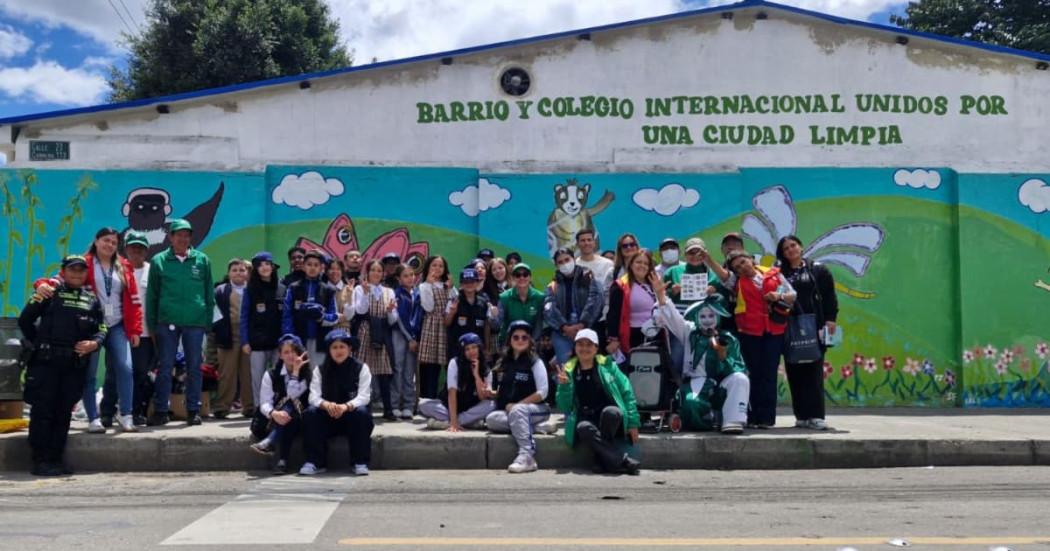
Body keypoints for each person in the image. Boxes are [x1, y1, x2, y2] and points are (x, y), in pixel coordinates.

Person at [34, 227, 144, 434]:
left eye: (113, 242)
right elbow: (59, 279)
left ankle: (126, 414)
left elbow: (134, 300)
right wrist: (40, 284)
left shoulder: (124, 266)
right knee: (89, 373)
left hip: (118, 325)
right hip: (91, 326)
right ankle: (93, 418)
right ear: (96, 241)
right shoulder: (84, 263)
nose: (109, 245)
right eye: (106, 241)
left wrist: (135, 329)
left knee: (126, 367)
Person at [19, 255, 107, 476]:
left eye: (81, 270)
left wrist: (93, 344)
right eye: (72, 270)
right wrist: (39, 344)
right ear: (63, 271)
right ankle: (40, 460)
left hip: (73, 365)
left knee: (63, 413)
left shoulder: (91, 299)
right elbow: (25, 321)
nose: (76, 274)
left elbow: (102, 328)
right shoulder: (49, 293)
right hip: (45, 364)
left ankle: (55, 459)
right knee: (43, 411)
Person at [146, 218, 214, 426]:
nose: (183, 239)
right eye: (179, 235)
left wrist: (208, 323)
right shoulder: (159, 261)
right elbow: (152, 296)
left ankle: (193, 410)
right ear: (171, 237)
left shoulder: (202, 260)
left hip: (195, 322)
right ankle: (160, 410)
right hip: (166, 322)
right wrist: (152, 325)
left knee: (195, 367)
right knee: (165, 367)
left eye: (187, 235)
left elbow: (208, 292)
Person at [654, 290, 750, 434]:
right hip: (697, 382)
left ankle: (732, 420)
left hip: (721, 385)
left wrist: (723, 355)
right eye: (703, 316)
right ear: (697, 318)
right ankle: (709, 420)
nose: (707, 320)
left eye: (711, 315)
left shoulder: (728, 339)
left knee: (741, 379)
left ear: (718, 317)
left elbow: (738, 368)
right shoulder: (690, 333)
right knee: (691, 404)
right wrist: (661, 296)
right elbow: (674, 319)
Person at [722, 249, 796, 429]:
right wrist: (708, 258)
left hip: (774, 331)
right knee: (754, 374)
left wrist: (778, 296)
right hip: (750, 332)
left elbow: (792, 295)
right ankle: (752, 416)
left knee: (769, 374)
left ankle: (767, 418)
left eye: (743, 262)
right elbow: (722, 275)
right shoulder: (737, 282)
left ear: (750, 259)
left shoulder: (774, 273)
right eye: (737, 267)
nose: (742, 267)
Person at [555, 329, 641, 474]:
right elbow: (565, 407)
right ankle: (621, 460)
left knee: (612, 412)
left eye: (589, 345)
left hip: (608, 418)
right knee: (583, 427)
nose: (584, 348)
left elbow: (627, 393)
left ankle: (602, 459)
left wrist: (633, 423)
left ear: (596, 348)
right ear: (575, 347)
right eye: (580, 344)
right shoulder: (568, 370)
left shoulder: (608, 366)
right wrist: (564, 387)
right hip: (586, 418)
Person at [776, 235, 838, 430]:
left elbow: (829, 297)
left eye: (793, 245)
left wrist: (830, 320)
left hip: (815, 327)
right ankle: (801, 416)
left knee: (814, 371)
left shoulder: (818, 270)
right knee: (794, 370)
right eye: (786, 249)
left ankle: (816, 416)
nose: (790, 250)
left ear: (801, 246)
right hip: (790, 327)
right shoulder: (779, 273)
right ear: (783, 254)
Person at [302, 330, 375, 476]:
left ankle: (359, 462)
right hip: (328, 418)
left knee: (362, 413)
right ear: (329, 350)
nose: (338, 351)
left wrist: (346, 406)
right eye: (334, 347)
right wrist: (326, 405)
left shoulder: (361, 368)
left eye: (342, 346)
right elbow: (313, 397)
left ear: (349, 348)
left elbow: (364, 396)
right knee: (310, 413)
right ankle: (315, 462)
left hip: (351, 418)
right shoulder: (320, 370)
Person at [486, 321, 550, 474]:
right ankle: (534, 428)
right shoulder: (503, 362)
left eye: (524, 337)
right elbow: (494, 385)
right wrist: (492, 392)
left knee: (518, 411)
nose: (520, 340)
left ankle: (527, 456)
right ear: (510, 340)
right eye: (516, 337)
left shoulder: (536, 362)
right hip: (512, 411)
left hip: (537, 409)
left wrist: (518, 405)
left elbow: (543, 391)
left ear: (529, 340)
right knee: (491, 419)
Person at [662, 237, 725, 381]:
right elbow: (662, 294)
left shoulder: (713, 273)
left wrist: (714, 290)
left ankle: (706, 390)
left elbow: (723, 296)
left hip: (705, 324)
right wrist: (673, 291)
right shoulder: (673, 271)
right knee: (677, 356)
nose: (695, 256)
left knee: (705, 358)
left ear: (706, 254)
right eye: (691, 252)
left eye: (699, 252)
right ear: (685, 255)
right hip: (681, 322)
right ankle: (676, 390)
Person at [251, 334, 311, 474]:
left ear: (300, 353)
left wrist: (296, 371)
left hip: (302, 420)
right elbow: (265, 402)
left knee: (290, 405)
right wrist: (274, 413)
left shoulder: (308, 374)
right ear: (280, 355)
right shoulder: (271, 374)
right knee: (287, 413)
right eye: (286, 352)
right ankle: (282, 461)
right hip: (275, 419)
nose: (290, 355)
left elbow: (292, 393)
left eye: (294, 351)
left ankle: (271, 443)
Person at [350, 260, 398, 420]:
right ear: (367, 272)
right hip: (365, 330)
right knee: (364, 371)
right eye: (373, 270)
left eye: (379, 270)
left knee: (384, 371)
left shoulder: (389, 291)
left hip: (382, 332)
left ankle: (388, 408)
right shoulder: (359, 288)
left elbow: (392, 319)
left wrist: (391, 311)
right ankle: (365, 407)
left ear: (383, 273)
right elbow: (360, 310)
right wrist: (364, 293)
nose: (376, 273)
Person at [419, 333, 497, 431]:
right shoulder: (455, 363)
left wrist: (476, 375)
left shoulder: (486, 369)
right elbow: (452, 393)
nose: (471, 351)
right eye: (467, 349)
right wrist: (454, 422)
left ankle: (445, 423)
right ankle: (466, 423)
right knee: (423, 405)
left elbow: (482, 397)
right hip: (449, 407)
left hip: (470, 408)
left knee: (492, 405)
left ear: (479, 348)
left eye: (474, 347)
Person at [239, 252, 285, 417]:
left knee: (279, 376)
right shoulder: (250, 290)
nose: (265, 268)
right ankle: (260, 410)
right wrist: (245, 341)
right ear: (256, 269)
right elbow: (244, 316)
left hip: (278, 342)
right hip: (257, 342)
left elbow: (286, 316)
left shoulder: (282, 288)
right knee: (257, 378)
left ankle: (278, 408)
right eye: (261, 265)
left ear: (272, 267)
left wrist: (286, 340)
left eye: (268, 264)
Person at [544, 248, 604, 365]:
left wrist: (583, 323)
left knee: (588, 366)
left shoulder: (589, 278)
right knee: (566, 369)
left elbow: (596, 300)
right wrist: (565, 327)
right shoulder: (552, 285)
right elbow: (549, 308)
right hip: (562, 334)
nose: (565, 264)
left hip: (587, 330)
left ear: (574, 259)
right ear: (556, 265)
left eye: (567, 259)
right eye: (560, 262)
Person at [282, 250, 339, 368]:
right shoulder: (293, 288)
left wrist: (321, 317)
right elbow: (287, 315)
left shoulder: (328, 290)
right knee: (298, 373)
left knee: (317, 375)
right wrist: (289, 338)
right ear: (303, 266)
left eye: (316, 265)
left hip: (321, 340)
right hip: (298, 340)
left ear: (321, 268)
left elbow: (334, 316)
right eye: (309, 264)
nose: (312, 268)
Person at [607, 250, 665, 359]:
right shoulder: (620, 286)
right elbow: (613, 314)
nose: (642, 266)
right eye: (638, 262)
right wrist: (613, 339)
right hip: (633, 336)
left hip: (656, 334)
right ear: (631, 264)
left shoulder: (655, 283)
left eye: (646, 263)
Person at [212, 258, 252, 419]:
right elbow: (215, 315)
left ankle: (250, 406)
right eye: (234, 270)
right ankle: (222, 407)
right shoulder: (220, 291)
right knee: (226, 373)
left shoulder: (252, 290)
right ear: (229, 273)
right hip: (228, 335)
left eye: (242, 270)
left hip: (248, 337)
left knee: (248, 373)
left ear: (247, 273)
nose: (238, 273)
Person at [123, 231, 155, 426]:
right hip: (121, 332)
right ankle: (112, 412)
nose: (136, 251)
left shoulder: (153, 271)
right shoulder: (118, 270)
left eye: (140, 248)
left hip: (145, 333)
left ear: (146, 251)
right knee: (118, 373)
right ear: (126, 249)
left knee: (141, 374)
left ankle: (137, 412)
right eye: (133, 247)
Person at [417, 255, 452, 399]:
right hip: (431, 326)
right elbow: (429, 307)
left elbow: (453, 303)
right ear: (428, 268)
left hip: (445, 325)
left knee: (442, 363)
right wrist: (429, 285)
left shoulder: (448, 286)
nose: (437, 268)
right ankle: (426, 397)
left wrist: (450, 288)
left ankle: (439, 397)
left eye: (440, 266)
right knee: (429, 364)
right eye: (434, 265)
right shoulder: (423, 285)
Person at [390, 264, 422, 419]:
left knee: (410, 372)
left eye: (412, 274)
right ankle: (395, 404)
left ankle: (409, 405)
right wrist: (410, 338)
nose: (410, 278)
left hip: (414, 338)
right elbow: (401, 319)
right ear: (398, 278)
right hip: (400, 336)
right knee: (398, 369)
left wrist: (415, 338)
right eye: (406, 276)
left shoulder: (417, 293)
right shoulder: (397, 294)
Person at [447, 268, 498, 361]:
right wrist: (452, 313)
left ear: (477, 283)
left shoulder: (484, 302)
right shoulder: (454, 300)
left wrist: (487, 348)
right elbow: (446, 323)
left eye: (472, 281)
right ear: (461, 284)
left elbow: (486, 326)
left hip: (477, 350)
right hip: (457, 350)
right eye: (466, 282)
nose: (469, 284)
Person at [574, 229, 615, 345]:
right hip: (582, 318)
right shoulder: (574, 265)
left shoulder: (608, 264)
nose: (586, 243)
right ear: (577, 244)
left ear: (594, 242)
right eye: (582, 241)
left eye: (589, 240)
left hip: (603, 318)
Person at [497, 263, 544, 345]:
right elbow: (496, 324)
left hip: (532, 343)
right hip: (508, 343)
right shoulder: (504, 297)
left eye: (525, 275)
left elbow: (539, 324)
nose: (522, 277)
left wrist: (531, 342)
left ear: (530, 277)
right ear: (513, 278)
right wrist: (493, 316)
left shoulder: (539, 297)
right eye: (518, 275)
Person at [326, 259, 353, 332]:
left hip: (343, 330)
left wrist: (349, 296)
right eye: (331, 269)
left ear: (342, 272)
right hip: (324, 331)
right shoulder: (322, 289)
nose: (335, 272)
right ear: (326, 272)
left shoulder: (348, 289)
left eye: (338, 269)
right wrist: (337, 317)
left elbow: (348, 316)